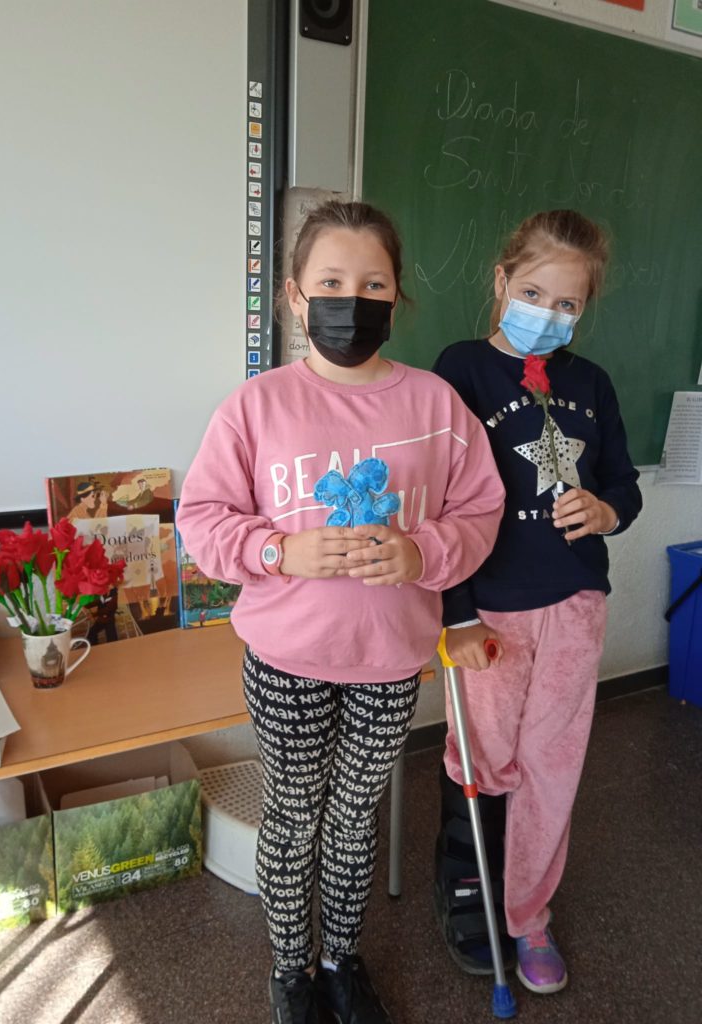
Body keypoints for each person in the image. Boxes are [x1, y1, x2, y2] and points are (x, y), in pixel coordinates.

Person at [177, 199, 505, 1024]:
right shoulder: (255, 406)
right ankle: (292, 971)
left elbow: (480, 512)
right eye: (329, 283)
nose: (349, 301)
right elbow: (203, 522)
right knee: (294, 817)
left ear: (397, 297)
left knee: (355, 820)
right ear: (294, 296)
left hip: (390, 660)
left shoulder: (436, 406)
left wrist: (421, 553)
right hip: (286, 658)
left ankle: (339, 960)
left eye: (372, 285)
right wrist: (277, 552)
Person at [432, 209, 642, 995]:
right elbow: (440, 502)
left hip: (575, 603)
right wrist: (456, 612)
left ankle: (528, 913)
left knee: (553, 765)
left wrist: (606, 510)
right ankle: (467, 889)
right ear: (501, 281)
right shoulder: (460, 369)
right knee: (482, 761)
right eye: (532, 294)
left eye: (567, 304)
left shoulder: (593, 384)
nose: (548, 315)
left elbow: (622, 485)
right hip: (491, 607)